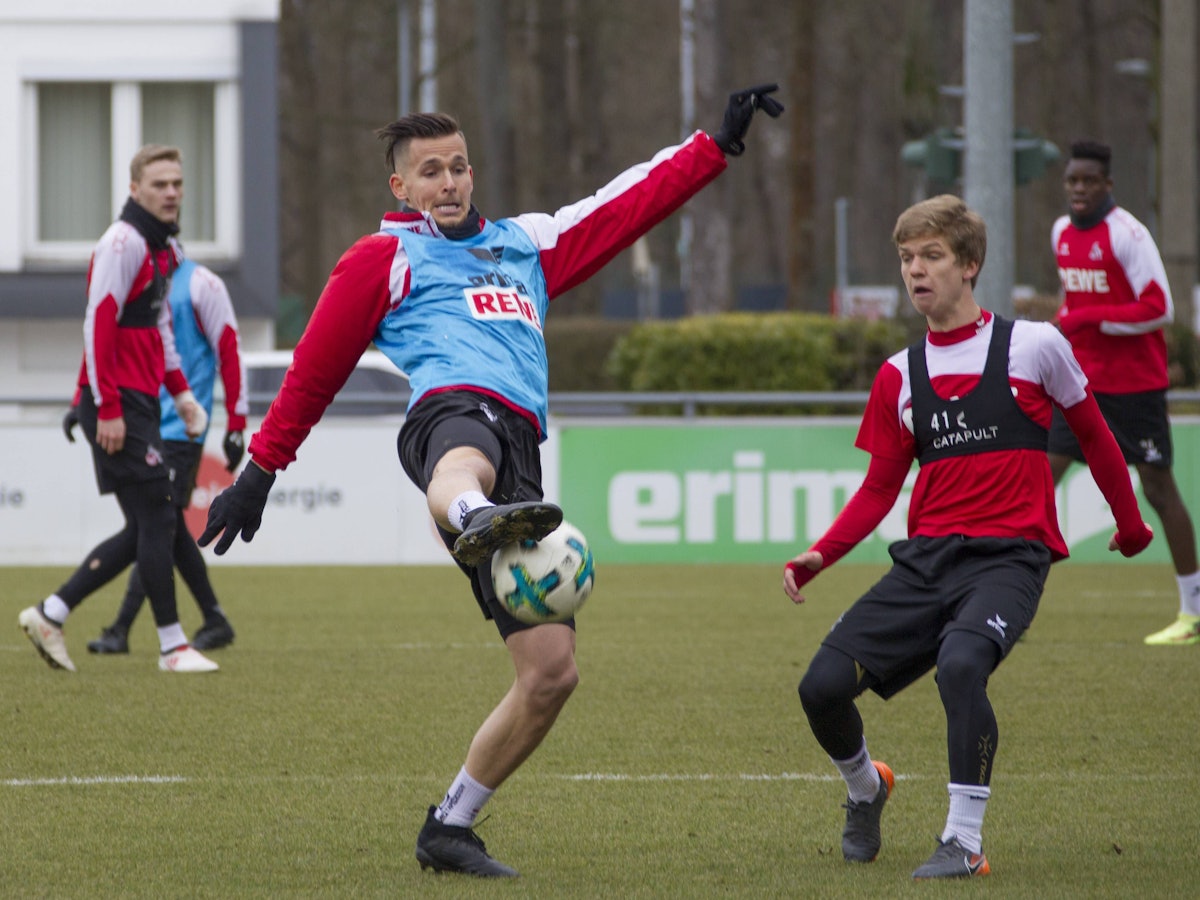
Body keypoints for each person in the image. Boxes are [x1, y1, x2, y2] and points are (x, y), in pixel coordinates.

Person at [199, 86, 784, 877]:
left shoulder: (526, 246)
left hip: (524, 456)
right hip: (448, 417)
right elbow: (312, 373)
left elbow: (624, 206)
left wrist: (713, 147)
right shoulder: (383, 259)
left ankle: (451, 824)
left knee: (551, 674)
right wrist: (259, 474)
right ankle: (474, 511)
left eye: (459, 167)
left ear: (473, 175)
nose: (449, 182)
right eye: (430, 172)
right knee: (461, 455)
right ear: (400, 189)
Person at [783, 195, 1152, 880]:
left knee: (960, 667)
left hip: (1010, 558)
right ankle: (868, 789)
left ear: (970, 265)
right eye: (905, 259)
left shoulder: (1035, 346)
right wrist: (819, 555)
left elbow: (1098, 438)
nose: (915, 271)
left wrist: (1129, 526)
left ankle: (963, 840)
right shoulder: (899, 373)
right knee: (821, 687)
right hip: (925, 562)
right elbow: (877, 489)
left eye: (931, 256)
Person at [18, 144, 220, 675]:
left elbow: (157, 330)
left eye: (177, 182)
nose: (172, 192)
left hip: (140, 402)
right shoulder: (123, 243)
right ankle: (174, 646)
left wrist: (180, 392)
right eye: (159, 184)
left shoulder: (163, 250)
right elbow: (98, 323)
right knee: (159, 513)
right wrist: (104, 405)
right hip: (118, 405)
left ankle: (51, 613)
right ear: (135, 191)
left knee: (149, 523)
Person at [1050, 139, 1200, 646]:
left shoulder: (1128, 234)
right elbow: (1077, 302)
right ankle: (1005, 601)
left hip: (1136, 387)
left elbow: (1160, 309)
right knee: (1036, 479)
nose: (1079, 189)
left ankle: (1193, 610)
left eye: (1089, 181)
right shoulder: (1060, 233)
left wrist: (1086, 318)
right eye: (1073, 180)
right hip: (1081, 385)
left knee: (1159, 489)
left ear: (1107, 184)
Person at [64, 257, 248, 654]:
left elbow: (229, 348)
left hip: (181, 431)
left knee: (154, 525)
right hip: (140, 423)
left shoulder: (202, 282)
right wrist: (82, 399)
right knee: (163, 525)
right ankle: (213, 618)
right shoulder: (132, 276)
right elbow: (101, 336)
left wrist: (236, 420)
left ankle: (117, 626)